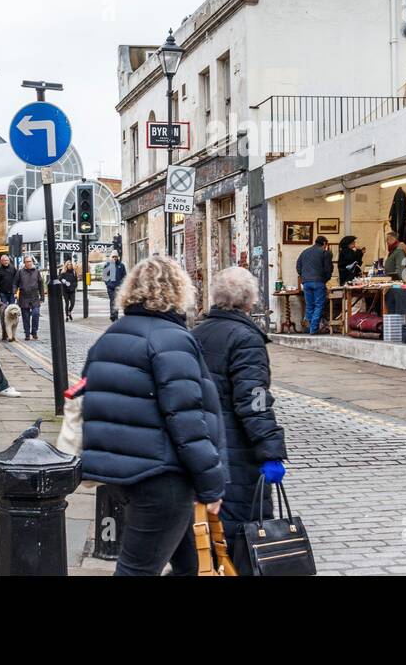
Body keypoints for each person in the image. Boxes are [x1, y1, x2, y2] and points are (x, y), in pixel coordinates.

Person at [80, 256, 226, 576]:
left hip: (126, 475)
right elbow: (188, 421)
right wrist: (213, 484)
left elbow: (91, 402)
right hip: (162, 478)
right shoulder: (172, 340)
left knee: (191, 563)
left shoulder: (111, 336)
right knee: (137, 569)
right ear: (179, 290)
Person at [191, 266, 288, 572]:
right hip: (238, 452)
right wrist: (271, 451)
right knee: (243, 531)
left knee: (211, 529)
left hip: (204, 446)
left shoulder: (195, 333)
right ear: (250, 301)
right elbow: (255, 401)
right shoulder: (246, 338)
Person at [295, 235, 333, 334]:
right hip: (319, 282)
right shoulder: (325, 253)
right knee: (319, 305)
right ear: (324, 243)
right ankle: (313, 329)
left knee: (309, 305)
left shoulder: (305, 252)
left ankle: (312, 327)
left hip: (306, 283)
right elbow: (328, 269)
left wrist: (303, 276)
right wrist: (326, 279)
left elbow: (298, 266)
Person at [14, 255, 43, 340]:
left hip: (34, 297)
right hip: (24, 297)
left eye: (30, 261)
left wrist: (42, 297)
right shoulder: (20, 272)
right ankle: (27, 333)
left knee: (36, 314)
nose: (29, 263)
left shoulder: (37, 272)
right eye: (27, 262)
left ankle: (34, 332)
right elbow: (15, 283)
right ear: (24, 263)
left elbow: (41, 285)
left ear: (32, 262)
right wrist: (15, 292)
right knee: (25, 317)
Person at [0, 253, 17, 341]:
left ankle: (11, 332)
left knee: (12, 312)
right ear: (1, 261)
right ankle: (5, 332)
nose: (6, 262)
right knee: (4, 312)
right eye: (4, 260)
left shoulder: (13, 268)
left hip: (12, 293)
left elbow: (16, 280)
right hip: (3, 293)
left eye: (7, 260)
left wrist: (16, 291)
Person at [102, 253, 127, 321]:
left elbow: (124, 276)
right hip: (110, 287)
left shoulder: (121, 265)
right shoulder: (108, 265)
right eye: (113, 257)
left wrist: (122, 284)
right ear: (111, 257)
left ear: (118, 257)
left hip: (118, 287)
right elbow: (104, 277)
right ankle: (113, 315)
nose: (114, 258)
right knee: (113, 300)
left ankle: (114, 315)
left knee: (116, 301)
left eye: (115, 257)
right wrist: (108, 284)